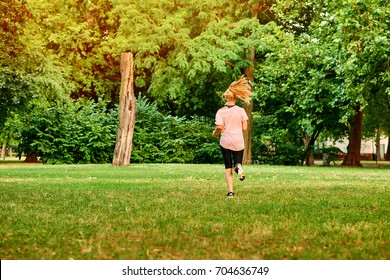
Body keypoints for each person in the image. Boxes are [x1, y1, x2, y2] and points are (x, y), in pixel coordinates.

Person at [212, 76, 252, 198]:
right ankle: (239, 166)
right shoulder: (241, 111)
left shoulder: (220, 111)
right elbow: (244, 128)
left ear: (226, 97)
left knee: (228, 166)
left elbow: (219, 127)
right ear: (236, 96)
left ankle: (230, 192)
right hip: (238, 140)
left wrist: (214, 133)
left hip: (225, 141)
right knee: (237, 162)